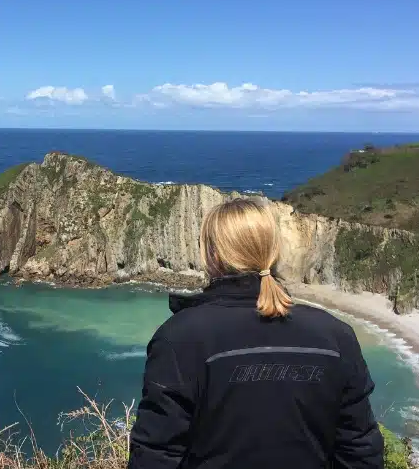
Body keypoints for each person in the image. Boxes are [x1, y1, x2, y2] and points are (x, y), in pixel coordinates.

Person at [128, 198, 383, 469]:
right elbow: (360, 451)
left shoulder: (179, 338)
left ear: (213, 256)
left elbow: (155, 455)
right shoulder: (336, 336)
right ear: (273, 252)